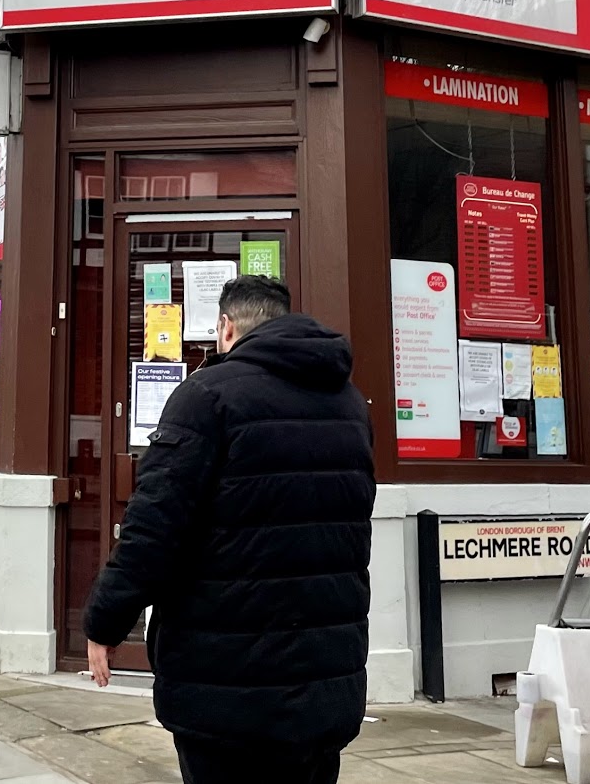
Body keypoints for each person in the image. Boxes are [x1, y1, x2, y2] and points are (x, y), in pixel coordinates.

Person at [82, 275, 375, 784]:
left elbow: (152, 531)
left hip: (226, 685)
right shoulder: (348, 403)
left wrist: (105, 623)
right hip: (325, 678)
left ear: (226, 326)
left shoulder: (205, 396)